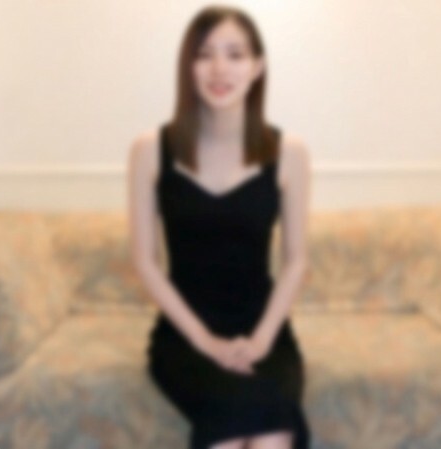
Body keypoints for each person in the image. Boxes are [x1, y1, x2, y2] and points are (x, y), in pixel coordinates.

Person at [127, 5, 311, 449]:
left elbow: (297, 261)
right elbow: (144, 261)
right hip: (184, 335)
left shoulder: (290, 152)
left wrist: (262, 340)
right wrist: (206, 342)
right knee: (230, 432)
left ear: (257, 67)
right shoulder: (150, 150)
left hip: (264, 332)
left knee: (272, 433)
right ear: (188, 66)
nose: (219, 68)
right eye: (204, 54)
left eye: (235, 54)